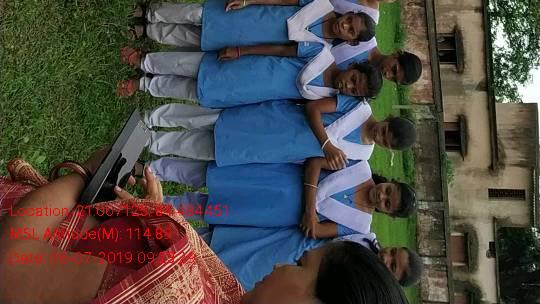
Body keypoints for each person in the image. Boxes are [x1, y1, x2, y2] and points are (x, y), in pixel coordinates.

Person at [0, 154, 409, 304]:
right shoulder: (229, 291)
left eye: (302, 265)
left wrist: (83, 178)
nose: (281, 265)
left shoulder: (170, 293)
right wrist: (157, 215)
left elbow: (11, 268)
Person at [141, 98, 414, 172]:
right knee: (211, 118)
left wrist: (324, 157)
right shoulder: (359, 108)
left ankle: (153, 143)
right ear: (388, 119)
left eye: (385, 141)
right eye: (385, 130)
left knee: (208, 148)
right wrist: (326, 144)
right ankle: (153, 118)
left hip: (278, 150)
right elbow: (314, 108)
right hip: (278, 119)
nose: (380, 136)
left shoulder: (361, 155)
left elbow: (319, 164)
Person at [117, 34, 378, 107]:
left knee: (192, 90)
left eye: (354, 90)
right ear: (352, 66)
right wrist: (241, 51)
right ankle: (143, 61)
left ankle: (143, 85)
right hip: (249, 65)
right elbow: (280, 49)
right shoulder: (321, 53)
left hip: (251, 92)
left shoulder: (324, 98)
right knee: (188, 64)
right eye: (354, 79)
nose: (348, 85)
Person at [176, 158, 416, 234]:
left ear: (388, 213)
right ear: (390, 182)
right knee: (219, 179)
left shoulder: (360, 224)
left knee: (221, 209)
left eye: (387, 203)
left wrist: (309, 214)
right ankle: (161, 169)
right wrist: (310, 211)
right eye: (388, 190)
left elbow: (318, 230)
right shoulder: (359, 168)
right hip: (280, 178)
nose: (381, 196)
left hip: (277, 213)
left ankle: (169, 206)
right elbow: (315, 163)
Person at [128, 0, 376, 51]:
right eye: (349, 20)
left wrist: (242, 52)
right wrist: (249, 2)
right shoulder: (321, 5)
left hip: (251, 38)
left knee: (194, 37)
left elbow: (281, 50)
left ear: (351, 41)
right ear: (350, 13)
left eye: (350, 31)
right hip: (253, 14)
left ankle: (150, 32)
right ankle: (150, 13)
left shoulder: (321, 47)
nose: (344, 25)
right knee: (197, 13)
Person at [207, 222, 421, 293]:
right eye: (393, 252)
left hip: (289, 285)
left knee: (228, 284)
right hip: (288, 248)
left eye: (392, 265)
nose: (386, 257)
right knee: (225, 252)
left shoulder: (361, 290)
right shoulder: (363, 233)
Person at [332, 34, 423, 80]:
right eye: (393, 69)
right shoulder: (365, 39)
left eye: (393, 79)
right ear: (396, 54)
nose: (388, 75)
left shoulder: (363, 86)